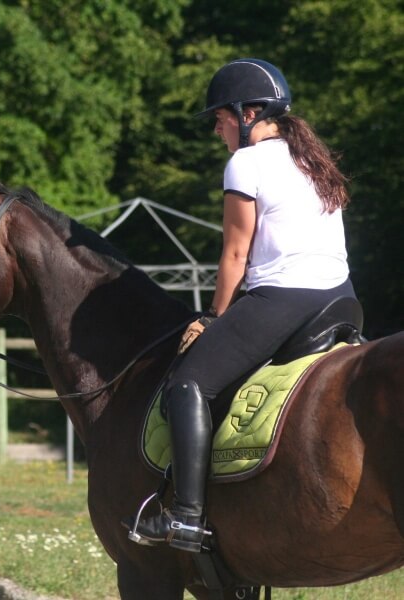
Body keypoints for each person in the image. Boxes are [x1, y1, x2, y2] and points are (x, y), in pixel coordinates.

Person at [129, 58, 357, 551]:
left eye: (220, 118)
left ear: (248, 112)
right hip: (341, 298)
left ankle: (185, 517)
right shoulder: (311, 160)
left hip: (284, 298)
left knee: (189, 382)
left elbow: (235, 252)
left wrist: (213, 318)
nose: (217, 129)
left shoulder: (246, 163)